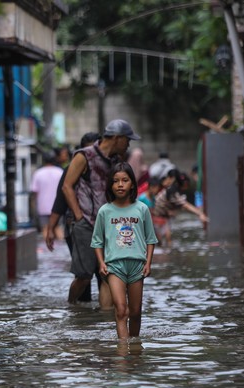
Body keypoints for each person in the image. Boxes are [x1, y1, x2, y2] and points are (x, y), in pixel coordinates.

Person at [62, 119, 141, 309]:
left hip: (110, 225)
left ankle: (105, 319)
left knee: (108, 274)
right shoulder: (84, 156)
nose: (128, 144)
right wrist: (79, 216)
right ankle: (71, 307)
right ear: (117, 138)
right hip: (86, 224)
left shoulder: (116, 161)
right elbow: (66, 186)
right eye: (127, 140)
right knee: (84, 276)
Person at [91, 162, 158, 339]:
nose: (120, 185)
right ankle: (122, 356)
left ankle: (134, 348)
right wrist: (101, 263)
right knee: (121, 311)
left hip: (137, 265)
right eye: (116, 181)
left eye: (125, 180)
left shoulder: (142, 209)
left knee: (135, 312)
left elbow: (151, 239)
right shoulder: (105, 211)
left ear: (132, 184)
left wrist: (148, 263)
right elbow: (97, 241)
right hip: (114, 267)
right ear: (110, 185)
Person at [44, 131, 100, 303]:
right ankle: (79, 310)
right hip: (77, 225)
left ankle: (102, 316)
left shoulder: (105, 167)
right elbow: (60, 200)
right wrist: (51, 229)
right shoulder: (72, 168)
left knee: (103, 272)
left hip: (101, 224)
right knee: (84, 273)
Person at [152, 169, 208, 245]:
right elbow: (185, 205)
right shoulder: (173, 192)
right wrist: (200, 214)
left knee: (165, 241)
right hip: (159, 217)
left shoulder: (173, 190)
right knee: (165, 241)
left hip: (162, 216)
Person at [30, 154, 63, 232]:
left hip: (43, 206)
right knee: (58, 228)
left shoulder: (38, 173)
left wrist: (34, 206)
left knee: (45, 228)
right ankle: (62, 244)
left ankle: (47, 244)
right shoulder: (60, 172)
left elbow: (35, 191)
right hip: (57, 205)